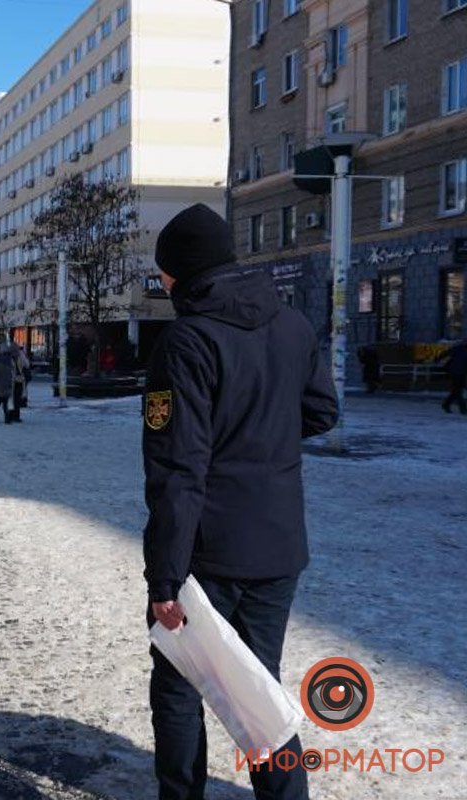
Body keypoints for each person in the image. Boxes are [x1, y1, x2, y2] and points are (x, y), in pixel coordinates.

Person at [143, 204, 339, 800]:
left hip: (207, 553)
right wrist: (263, 435)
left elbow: (178, 470)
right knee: (259, 688)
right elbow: (322, 411)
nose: (162, 283)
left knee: (179, 686)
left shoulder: (186, 340)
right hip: (278, 546)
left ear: (181, 270)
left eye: (164, 272)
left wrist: (165, 579)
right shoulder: (292, 324)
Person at [442, 338, 467, 415]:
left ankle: (446, 404)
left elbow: (445, 354)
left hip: (459, 372)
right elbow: (445, 354)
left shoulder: (457, 348)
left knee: (456, 391)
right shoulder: (457, 349)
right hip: (457, 372)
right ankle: (463, 408)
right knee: (458, 391)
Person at [9, 343, 31, 422]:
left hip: (12, 380)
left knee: (12, 398)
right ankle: (16, 415)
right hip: (19, 380)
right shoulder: (20, 355)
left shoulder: (9, 356)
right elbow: (27, 364)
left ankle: (11, 415)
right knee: (17, 398)